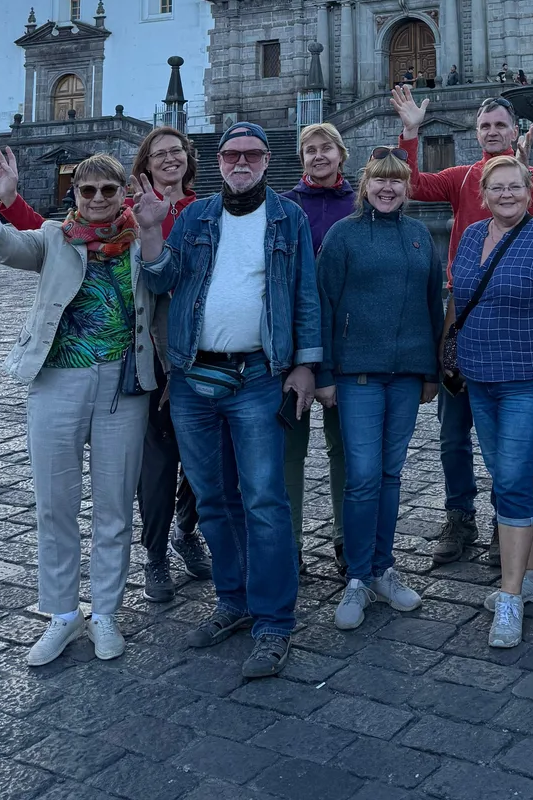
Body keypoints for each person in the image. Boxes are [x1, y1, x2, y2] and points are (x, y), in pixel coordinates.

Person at [0, 133, 214, 605]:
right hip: (134, 361)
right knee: (154, 466)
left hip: (192, 353)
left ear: (189, 159)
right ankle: (152, 555)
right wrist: (5, 203)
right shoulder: (118, 217)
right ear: (144, 167)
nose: (169, 159)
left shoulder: (206, 210)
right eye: (159, 153)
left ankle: (185, 531)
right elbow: (48, 241)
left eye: (176, 151)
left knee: (199, 460)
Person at [0, 153, 157, 666]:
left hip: (124, 386)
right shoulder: (53, 237)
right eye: (88, 191)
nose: (97, 199)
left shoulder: (142, 240)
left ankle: (105, 611)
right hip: (58, 380)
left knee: (114, 506)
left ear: (123, 193)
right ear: (76, 196)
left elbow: (167, 285)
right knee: (54, 503)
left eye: (108, 190)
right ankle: (63, 614)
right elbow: (5, 245)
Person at [135, 122, 321, 680]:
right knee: (214, 500)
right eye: (232, 154)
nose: (242, 162)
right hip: (193, 378)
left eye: (252, 155)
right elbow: (162, 278)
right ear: (217, 161)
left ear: (267, 160)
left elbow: (305, 295)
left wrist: (306, 365)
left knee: (264, 501)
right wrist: (151, 230)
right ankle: (234, 600)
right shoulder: (195, 216)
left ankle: (274, 621)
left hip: (259, 376)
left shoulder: (289, 217)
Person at [391, 86, 533, 563]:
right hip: (463, 315)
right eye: (485, 126)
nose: (492, 132)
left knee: (509, 439)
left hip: (519, 318)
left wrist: (517, 171)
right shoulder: (462, 177)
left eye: (500, 125)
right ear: (476, 133)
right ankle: (459, 515)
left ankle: (509, 524)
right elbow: (413, 185)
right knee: (452, 430)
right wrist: (411, 132)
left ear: (515, 130)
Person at [451, 156, 533, 647]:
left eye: (515, 187)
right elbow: (457, 300)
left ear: (531, 192)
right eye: (497, 188)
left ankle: (509, 597)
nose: (506, 195)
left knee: (508, 481)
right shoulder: (470, 237)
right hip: (478, 378)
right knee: (512, 478)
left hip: (529, 378)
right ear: (483, 195)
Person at [315, 149, 444, 630]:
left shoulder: (418, 236)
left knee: (391, 475)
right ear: (365, 185)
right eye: (379, 181)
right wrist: (324, 373)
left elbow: (433, 305)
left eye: (397, 182)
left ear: (407, 188)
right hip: (357, 375)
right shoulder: (343, 235)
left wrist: (431, 372)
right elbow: (323, 304)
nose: (388, 189)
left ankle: (383, 568)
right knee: (364, 476)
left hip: (407, 374)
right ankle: (357, 576)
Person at [283, 123, 353, 575]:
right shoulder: (284, 206)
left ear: (341, 154)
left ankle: (346, 541)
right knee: (289, 450)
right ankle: (288, 546)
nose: (318, 155)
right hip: (292, 346)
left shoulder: (361, 203)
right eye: (309, 150)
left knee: (345, 448)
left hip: (347, 345)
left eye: (326, 148)